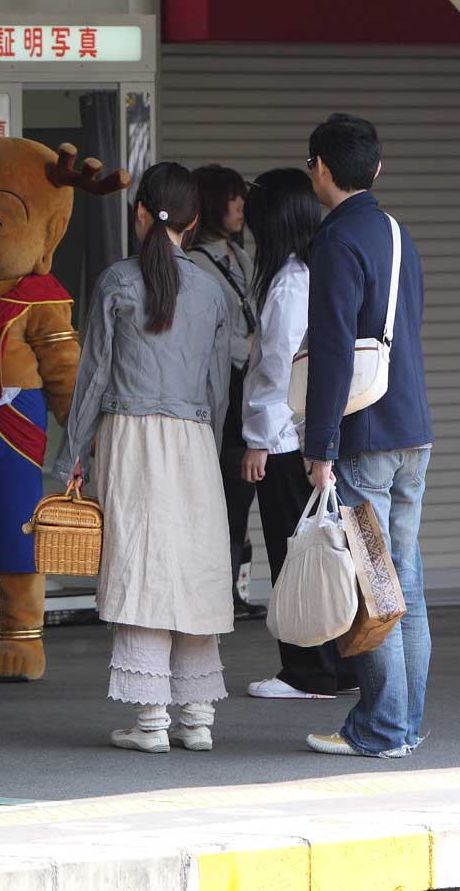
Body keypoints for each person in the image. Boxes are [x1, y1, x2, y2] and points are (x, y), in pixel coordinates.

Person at [64, 162, 233, 755]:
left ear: (140, 213)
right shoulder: (213, 290)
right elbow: (218, 391)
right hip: (193, 442)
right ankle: (198, 717)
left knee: (141, 565)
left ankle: (153, 719)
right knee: (193, 570)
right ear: (193, 223)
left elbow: (92, 379)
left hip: (129, 439)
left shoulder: (116, 281)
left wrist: (71, 456)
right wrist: (206, 448)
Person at [301, 114, 432, 759]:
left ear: (321, 169)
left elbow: (332, 351)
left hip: (365, 435)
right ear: (375, 170)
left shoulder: (336, 241)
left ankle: (381, 728)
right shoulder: (398, 235)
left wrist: (319, 446)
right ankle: (405, 723)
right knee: (403, 581)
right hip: (413, 429)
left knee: (375, 586)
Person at [239, 168, 359, 701]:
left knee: (297, 555)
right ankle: (339, 663)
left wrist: (258, 440)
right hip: (322, 435)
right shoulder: (322, 268)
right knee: (328, 550)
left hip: (286, 442)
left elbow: (276, 370)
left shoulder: (289, 281)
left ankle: (307, 671)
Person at [187, 165, 263, 621]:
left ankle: (234, 590)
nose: (240, 206)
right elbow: (205, 333)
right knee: (225, 485)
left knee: (242, 489)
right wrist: (247, 347)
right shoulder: (196, 262)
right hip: (224, 387)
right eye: (231, 198)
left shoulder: (240, 254)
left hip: (248, 383)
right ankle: (218, 590)